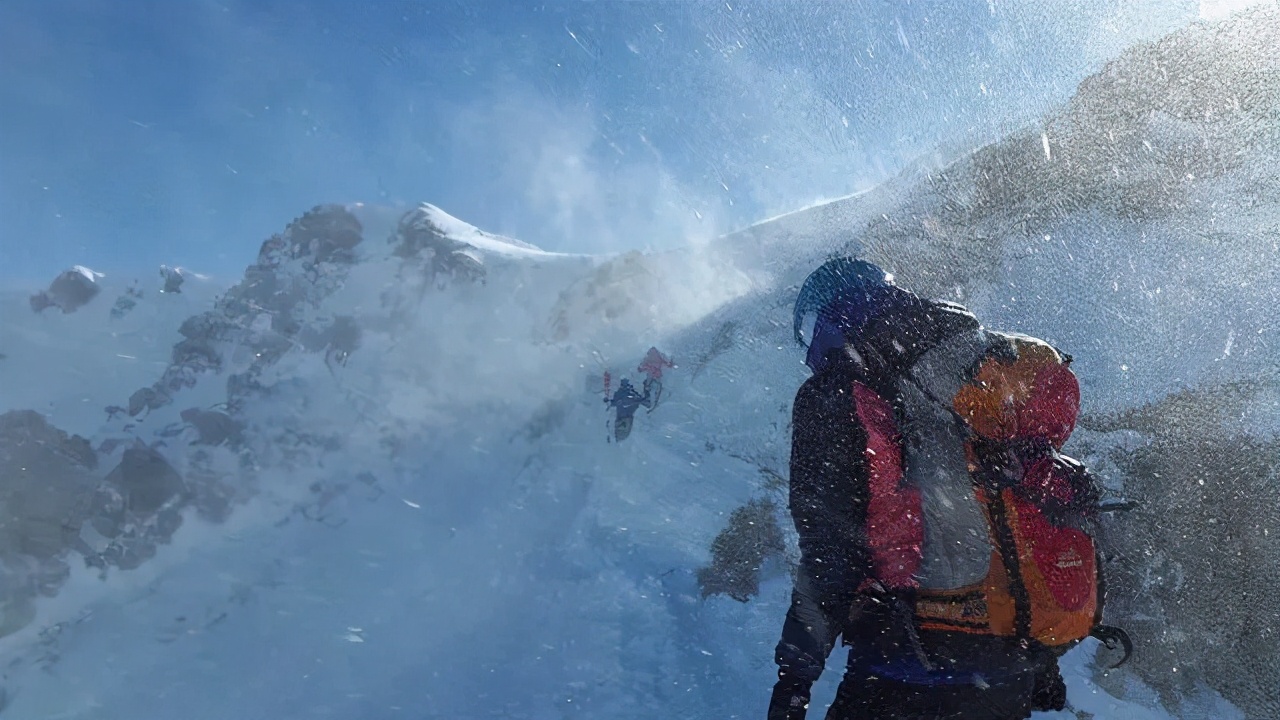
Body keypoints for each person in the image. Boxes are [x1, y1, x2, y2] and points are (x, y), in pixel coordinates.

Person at [769, 257, 1103, 720]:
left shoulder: (840, 393)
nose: (810, 350)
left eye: (809, 330)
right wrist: (1039, 663)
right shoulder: (972, 369)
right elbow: (1011, 518)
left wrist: (793, 679)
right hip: (1003, 675)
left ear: (835, 316)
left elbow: (831, 551)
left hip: (906, 666)